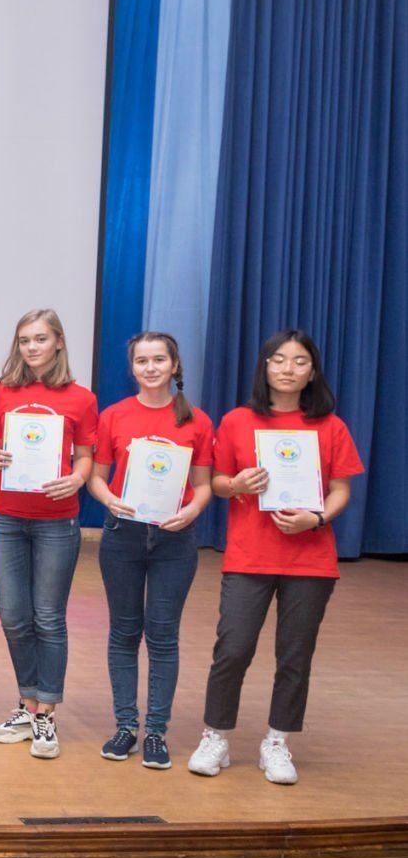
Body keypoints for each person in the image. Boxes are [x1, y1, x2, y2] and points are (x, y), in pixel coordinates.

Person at [188, 330, 364, 785]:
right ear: (264, 366)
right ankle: (215, 736)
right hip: (249, 556)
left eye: (300, 361)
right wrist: (236, 485)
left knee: (295, 655)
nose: (288, 368)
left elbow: (341, 490)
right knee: (233, 649)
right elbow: (218, 482)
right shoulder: (237, 421)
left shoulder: (331, 427)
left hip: (310, 560)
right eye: (279, 359)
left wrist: (316, 518)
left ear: (312, 372)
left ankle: (277, 741)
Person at [87, 331, 214, 769]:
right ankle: (126, 726)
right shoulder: (114, 416)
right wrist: (109, 500)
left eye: (159, 359)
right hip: (122, 535)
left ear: (174, 365)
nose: (151, 368)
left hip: (174, 540)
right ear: (132, 368)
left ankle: (156, 732)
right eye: (142, 361)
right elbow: (97, 477)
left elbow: (203, 485)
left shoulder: (197, 421)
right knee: (124, 633)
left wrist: (192, 511)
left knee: (162, 636)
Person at [0, 309, 97, 759]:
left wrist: (78, 477)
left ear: (59, 342)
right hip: (7, 518)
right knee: (13, 616)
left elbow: (85, 455)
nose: (32, 347)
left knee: (48, 617)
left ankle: (46, 712)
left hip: (56, 520)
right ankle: (27, 704)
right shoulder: (2, 393)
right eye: (25, 340)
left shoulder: (81, 398)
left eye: (40, 339)